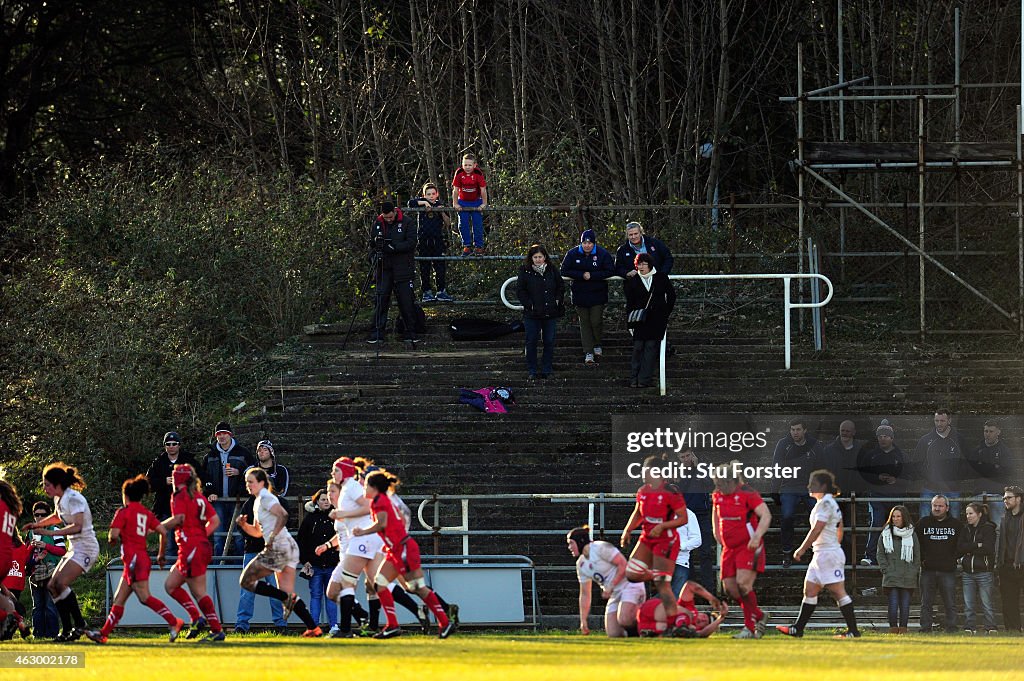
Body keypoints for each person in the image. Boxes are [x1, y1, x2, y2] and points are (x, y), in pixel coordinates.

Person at [352, 471, 455, 639]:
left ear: (374, 488)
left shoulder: (379, 501)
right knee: (379, 584)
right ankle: (392, 625)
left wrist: (362, 532)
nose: (363, 488)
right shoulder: (381, 500)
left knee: (416, 587)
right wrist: (391, 542)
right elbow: (397, 519)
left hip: (403, 550)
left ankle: (444, 622)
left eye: (365, 485)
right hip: (397, 549)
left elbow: (382, 524)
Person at [85, 475, 183, 644]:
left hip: (134, 561)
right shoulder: (146, 513)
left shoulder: (123, 512)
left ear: (126, 496)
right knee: (119, 599)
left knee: (144, 597)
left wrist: (113, 538)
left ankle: (175, 622)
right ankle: (103, 634)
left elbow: (113, 535)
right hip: (138, 559)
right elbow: (163, 531)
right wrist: (161, 554)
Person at [236, 467, 322, 637]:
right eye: (246, 481)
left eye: (251, 481)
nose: (248, 485)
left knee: (246, 581)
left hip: (280, 547)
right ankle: (314, 628)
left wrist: (273, 538)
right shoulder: (257, 501)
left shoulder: (266, 497)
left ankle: (287, 603)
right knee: (287, 596)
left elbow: (283, 515)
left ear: (261, 482)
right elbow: (258, 532)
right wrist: (244, 525)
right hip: (285, 547)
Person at [776, 469, 861, 639]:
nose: (808, 486)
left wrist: (802, 548)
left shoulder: (825, 504)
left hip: (826, 554)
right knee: (810, 590)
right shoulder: (827, 502)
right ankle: (798, 628)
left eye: (812, 483)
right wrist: (834, 544)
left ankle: (853, 631)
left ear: (822, 486)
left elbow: (817, 529)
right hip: (822, 552)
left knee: (838, 591)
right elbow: (840, 527)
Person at [22, 463, 99, 642]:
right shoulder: (59, 499)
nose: (44, 488)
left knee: (60, 583)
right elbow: (57, 516)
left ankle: (79, 624)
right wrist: (37, 525)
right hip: (75, 548)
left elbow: (78, 526)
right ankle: (68, 629)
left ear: (57, 484)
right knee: (51, 585)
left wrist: (51, 533)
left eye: (47, 484)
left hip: (87, 548)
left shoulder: (74, 498)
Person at [620, 455, 688, 626]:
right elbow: (638, 513)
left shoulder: (671, 492)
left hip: (666, 541)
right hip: (647, 538)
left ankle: (674, 624)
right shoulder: (642, 491)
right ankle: (657, 575)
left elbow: (683, 518)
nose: (642, 473)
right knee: (631, 574)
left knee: (662, 586)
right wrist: (628, 530)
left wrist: (663, 525)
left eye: (645, 469)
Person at [162, 463, 224, 642]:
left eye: (174, 476)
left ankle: (216, 629)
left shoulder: (179, 495)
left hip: (191, 548)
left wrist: (157, 527)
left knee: (198, 592)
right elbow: (214, 520)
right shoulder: (198, 496)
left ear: (178, 479)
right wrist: (200, 536)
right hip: (196, 547)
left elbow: (179, 518)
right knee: (171, 585)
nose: (172, 479)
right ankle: (197, 618)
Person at [321, 457, 381, 638]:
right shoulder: (347, 489)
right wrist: (327, 544)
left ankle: (347, 628)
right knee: (369, 585)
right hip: (358, 543)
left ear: (345, 471)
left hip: (360, 543)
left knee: (350, 585)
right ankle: (366, 621)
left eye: (336, 470)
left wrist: (342, 513)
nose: (333, 474)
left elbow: (369, 506)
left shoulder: (352, 487)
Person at [711, 460, 772, 638]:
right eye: (716, 484)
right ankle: (760, 616)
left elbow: (766, 515)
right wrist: (717, 533)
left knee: (743, 585)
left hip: (748, 546)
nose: (719, 488)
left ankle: (749, 628)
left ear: (732, 481)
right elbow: (716, 515)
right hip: (729, 548)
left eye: (721, 484)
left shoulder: (747, 493)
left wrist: (757, 535)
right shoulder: (717, 494)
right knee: (730, 588)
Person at [567, 526, 644, 638]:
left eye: (571, 543)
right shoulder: (581, 564)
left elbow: (623, 564)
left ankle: (647, 631)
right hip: (615, 593)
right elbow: (585, 594)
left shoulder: (600, 547)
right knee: (614, 634)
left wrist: (611, 585)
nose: (569, 547)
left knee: (625, 619)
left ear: (580, 541)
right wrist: (583, 620)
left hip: (629, 585)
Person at [233, 484, 287, 634]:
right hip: (253, 550)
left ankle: (280, 624)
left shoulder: (277, 502)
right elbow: (241, 527)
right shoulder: (249, 503)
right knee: (248, 591)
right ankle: (242, 625)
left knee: (274, 589)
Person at [772, 418, 824, 567]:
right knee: (787, 515)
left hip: (810, 488)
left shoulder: (814, 445)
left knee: (818, 517)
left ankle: (818, 552)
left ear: (805, 430)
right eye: (793, 430)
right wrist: (774, 489)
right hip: (789, 486)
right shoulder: (783, 444)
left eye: (798, 429)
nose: (795, 432)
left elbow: (821, 468)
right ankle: (787, 552)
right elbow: (777, 466)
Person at [561, 229, 615, 365]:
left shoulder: (602, 254)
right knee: (584, 323)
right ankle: (588, 351)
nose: (587, 245)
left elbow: (610, 270)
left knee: (596, 321)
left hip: (598, 294)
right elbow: (564, 270)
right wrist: (581, 275)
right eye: (584, 242)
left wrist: (593, 276)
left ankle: (597, 343)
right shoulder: (572, 254)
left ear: (594, 243)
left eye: (590, 242)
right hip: (580, 294)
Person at [200, 421, 254, 557]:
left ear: (230, 435)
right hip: (217, 501)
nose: (222, 436)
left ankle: (239, 566)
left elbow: (254, 472)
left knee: (239, 536)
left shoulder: (243, 453)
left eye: (224, 433)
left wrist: (239, 472)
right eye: (219, 434)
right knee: (218, 536)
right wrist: (209, 492)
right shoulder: (210, 456)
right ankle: (217, 567)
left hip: (238, 500)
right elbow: (203, 478)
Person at [368, 201, 419, 344]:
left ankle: (410, 332)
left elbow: (412, 242)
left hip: (403, 267)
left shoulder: (407, 222)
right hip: (383, 268)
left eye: (391, 217)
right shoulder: (377, 223)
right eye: (386, 218)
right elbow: (372, 244)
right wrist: (373, 257)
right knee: (381, 298)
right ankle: (377, 332)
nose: (389, 220)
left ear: (395, 213)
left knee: (406, 301)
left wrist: (394, 247)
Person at [857, 419, 905, 566]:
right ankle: (870, 555)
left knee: (896, 526)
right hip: (876, 495)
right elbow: (862, 474)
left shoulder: (900, 455)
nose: (882, 439)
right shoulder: (871, 455)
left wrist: (896, 480)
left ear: (892, 438)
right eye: (880, 436)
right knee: (876, 522)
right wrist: (877, 478)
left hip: (895, 496)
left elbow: (909, 475)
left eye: (885, 436)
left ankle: (897, 556)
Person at [624, 253, 675, 389]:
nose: (641, 267)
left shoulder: (661, 278)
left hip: (657, 320)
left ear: (650, 264)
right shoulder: (633, 281)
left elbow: (671, 296)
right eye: (638, 264)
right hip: (640, 320)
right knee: (638, 348)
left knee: (651, 349)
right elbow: (630, 303)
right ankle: (634, 379)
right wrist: (630, 321)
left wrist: (665, 313)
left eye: (643, 264)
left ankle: (643, 380)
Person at [515, 243, 564, 380]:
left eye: (540, 257)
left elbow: (560, 286)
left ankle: (547, 369)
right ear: (531, 258)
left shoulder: (552, 270)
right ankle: (532, 369)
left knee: (549, 340)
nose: (538, 259)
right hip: (532, 313)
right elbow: (520, 290)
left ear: (545, 257)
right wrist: (529, 304)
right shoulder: (524, 271)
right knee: (531, 341)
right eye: (535, 257)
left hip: (550, 311)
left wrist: (557, 300)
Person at [916, 494, 964, 633]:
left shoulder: (956, 525)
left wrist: (952, 558)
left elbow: (961, 545)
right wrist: (922, 560)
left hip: (947, 570)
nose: (937, 508)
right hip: (927, 570)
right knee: (926, 603)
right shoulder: (923, 523)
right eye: (934, 505)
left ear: (947, 508)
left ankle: (952, 628)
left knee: (950, 602)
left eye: (940, 506)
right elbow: (915, 544)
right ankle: (925, 628)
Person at [146, 430, 196, 559]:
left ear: (179, 445)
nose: (171, 446)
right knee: (168, 545)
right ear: (165, 446)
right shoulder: (158, 462)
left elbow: (199, 478)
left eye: (174, 443)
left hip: (185, 509)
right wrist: (164, 481)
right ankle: (168, 574)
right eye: (168, 444)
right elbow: (147, 483)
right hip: (165, 508)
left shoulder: (188, 459)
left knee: (185, 544)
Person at [298, 488, 339, 635]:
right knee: (315, 596)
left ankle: (334, 625)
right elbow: (302, 541)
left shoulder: (337, 517)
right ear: (317, 502)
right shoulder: (309, 519)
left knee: (331, 596)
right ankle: (313, 626)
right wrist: (305, 561)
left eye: (328, 499)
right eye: (322, 499)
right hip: (314, 565)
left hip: (332, 564)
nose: (326, 502)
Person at [914, 409, 967, 519]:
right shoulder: (925, 440)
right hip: (930, 487)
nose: (939, 424)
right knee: (924, 519)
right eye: (936, 420)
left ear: (949, 420)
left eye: (942, 421)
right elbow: (917, 463)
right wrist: (929, 476)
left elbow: (966, 462)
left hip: (952, 488)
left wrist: (955, 477)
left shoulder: (960, 440)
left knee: (954, 520)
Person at [676, 448, 716, 591]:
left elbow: (710, 484)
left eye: (688, 455)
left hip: (702, 514)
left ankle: (709, 590)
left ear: (693, 454)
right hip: (685, 515)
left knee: (705, 553)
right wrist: (686, 471)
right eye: (683, 457)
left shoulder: (703, 466)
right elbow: (680, 489)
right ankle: (688, 590)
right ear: (679, 458)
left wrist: (698, 467)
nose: (686, 459)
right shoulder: (678, 471)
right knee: (687, 553)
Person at [876, 505, 919, 633]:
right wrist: (885, 569)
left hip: (908, 575)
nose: (895, 519)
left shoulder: (912, 534)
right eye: (893, 516)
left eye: (898, 516)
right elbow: (880, 553)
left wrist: (913, 571)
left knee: (905, 604)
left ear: (904, 517)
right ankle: (893, 628)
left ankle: (904, 628)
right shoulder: (885, 534)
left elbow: (917, 555)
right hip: (891, 575)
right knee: (893, 603)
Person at [957, 501, 997, 634]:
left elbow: (988, 549)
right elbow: (960, 548)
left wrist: (970, 548)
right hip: (967, 572)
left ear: (979, 514)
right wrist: (977, 545)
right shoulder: (965, 529)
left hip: (984, 572)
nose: (968, 516)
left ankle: (990, 627)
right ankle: (970, 627)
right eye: (967, 514)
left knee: (987, 603)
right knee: (969, 604)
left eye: (971, 513)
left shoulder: (988, 528)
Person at [635, 580, 727, 638]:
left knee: (673, 629)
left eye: (705, 622)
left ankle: (669, 631)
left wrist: (721, 619)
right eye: (704, 617)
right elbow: (689, 585)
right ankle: (680, 626)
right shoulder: (689, 608)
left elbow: (702, 634)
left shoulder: (694, 630)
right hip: (654, 610)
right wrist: (711, 598)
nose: (702, 619)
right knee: (687, 614)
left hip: (646, 626)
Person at [408, 182, 453, 302]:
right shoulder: (421, 203)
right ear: (424, 195)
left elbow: (448, 223)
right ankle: (426, 292)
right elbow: (410, 203)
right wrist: (424, 203)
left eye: (433, 194)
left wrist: (441, 212)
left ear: (437, 194)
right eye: (428, 194)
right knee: (424, 267)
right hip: (424, 240)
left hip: (437, 240)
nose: (431, 196)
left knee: (440, 266)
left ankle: (441, 291)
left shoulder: (440, 205)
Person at [28, 500, 63, 639]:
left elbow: (62, 551)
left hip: (52, 572)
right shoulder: (31, 532)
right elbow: (25, 554)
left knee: (50, 605)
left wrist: (46, 545)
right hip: (35, 572)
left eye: (43, 515)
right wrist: (31, 547)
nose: (39, 518)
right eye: (37, 515)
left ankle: (52, 634)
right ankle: (38, 634)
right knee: (37, 606)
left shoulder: (55, 530)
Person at [968, 420, 1013, 527]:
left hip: (997, 495)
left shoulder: (1004, 451)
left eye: (991, 431)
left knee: (997, 527)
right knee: (975, 526)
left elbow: (1006, 472)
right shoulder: (977, 450)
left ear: (998, 432)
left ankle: (998, 545)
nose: (988, 434)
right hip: (979, 494)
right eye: (986, 431)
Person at [997, 485, 1024, 632]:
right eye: (1004, 498)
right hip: (1007, 566)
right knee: (1008, 601)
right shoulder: (1004, 517)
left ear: (1019, 499)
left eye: (1009, 497)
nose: (1005, 500)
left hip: (1022, 564)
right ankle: (1013, 630)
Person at [451, 153, 488, 255]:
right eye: (465, 165)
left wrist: (484, 204)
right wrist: (455, 203)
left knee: (477, 225)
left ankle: (478, 247)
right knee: (463, 225)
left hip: (476, 202)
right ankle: (467, 246)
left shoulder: (478, 174)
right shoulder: (459, 173)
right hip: (463, 202)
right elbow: (455, 190)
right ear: (462, 165)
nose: (467, 167)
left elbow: (483, 190)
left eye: (469, 165)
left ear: (474, 165)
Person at [670, 506, 702, 599]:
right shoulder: (658, 513)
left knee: (676, 594)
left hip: (680, 561)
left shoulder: (689, 514)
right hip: (661, 560)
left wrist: (680, 546)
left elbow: (697, 539)